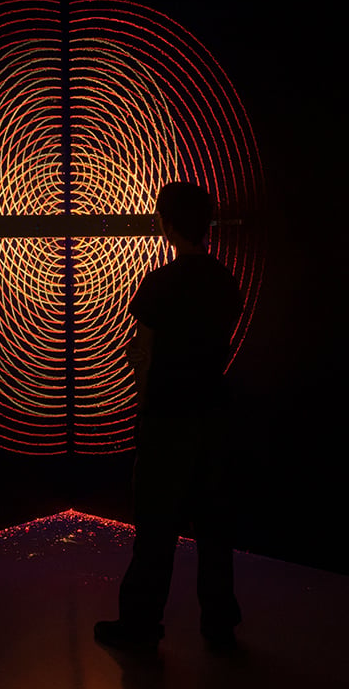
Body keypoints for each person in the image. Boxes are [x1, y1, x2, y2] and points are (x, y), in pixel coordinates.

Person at [94, 182, 244, 654]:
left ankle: (140, 624)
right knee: (215, 529)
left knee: (156, 529)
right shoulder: (226, 281)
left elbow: (146, 356)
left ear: (166, 223)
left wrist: (144, 398)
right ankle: (219, 625)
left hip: (167, 418)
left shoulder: (160, 282)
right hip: (214, 417)